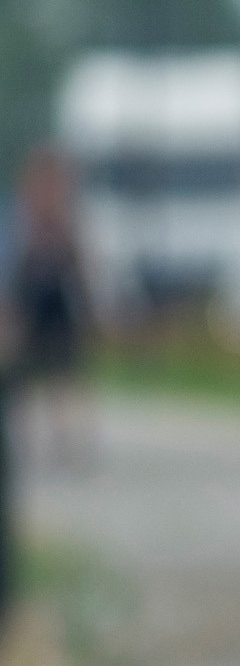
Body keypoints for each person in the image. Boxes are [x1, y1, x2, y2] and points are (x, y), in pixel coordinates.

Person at [7, 146, 94, 473]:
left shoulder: (64, 221)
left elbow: (79, 269)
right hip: (32, 304)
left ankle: (63, 442)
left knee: (61, 380)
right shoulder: (25, 218)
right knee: (23, 381)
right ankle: (24, 444)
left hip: (56, 307)